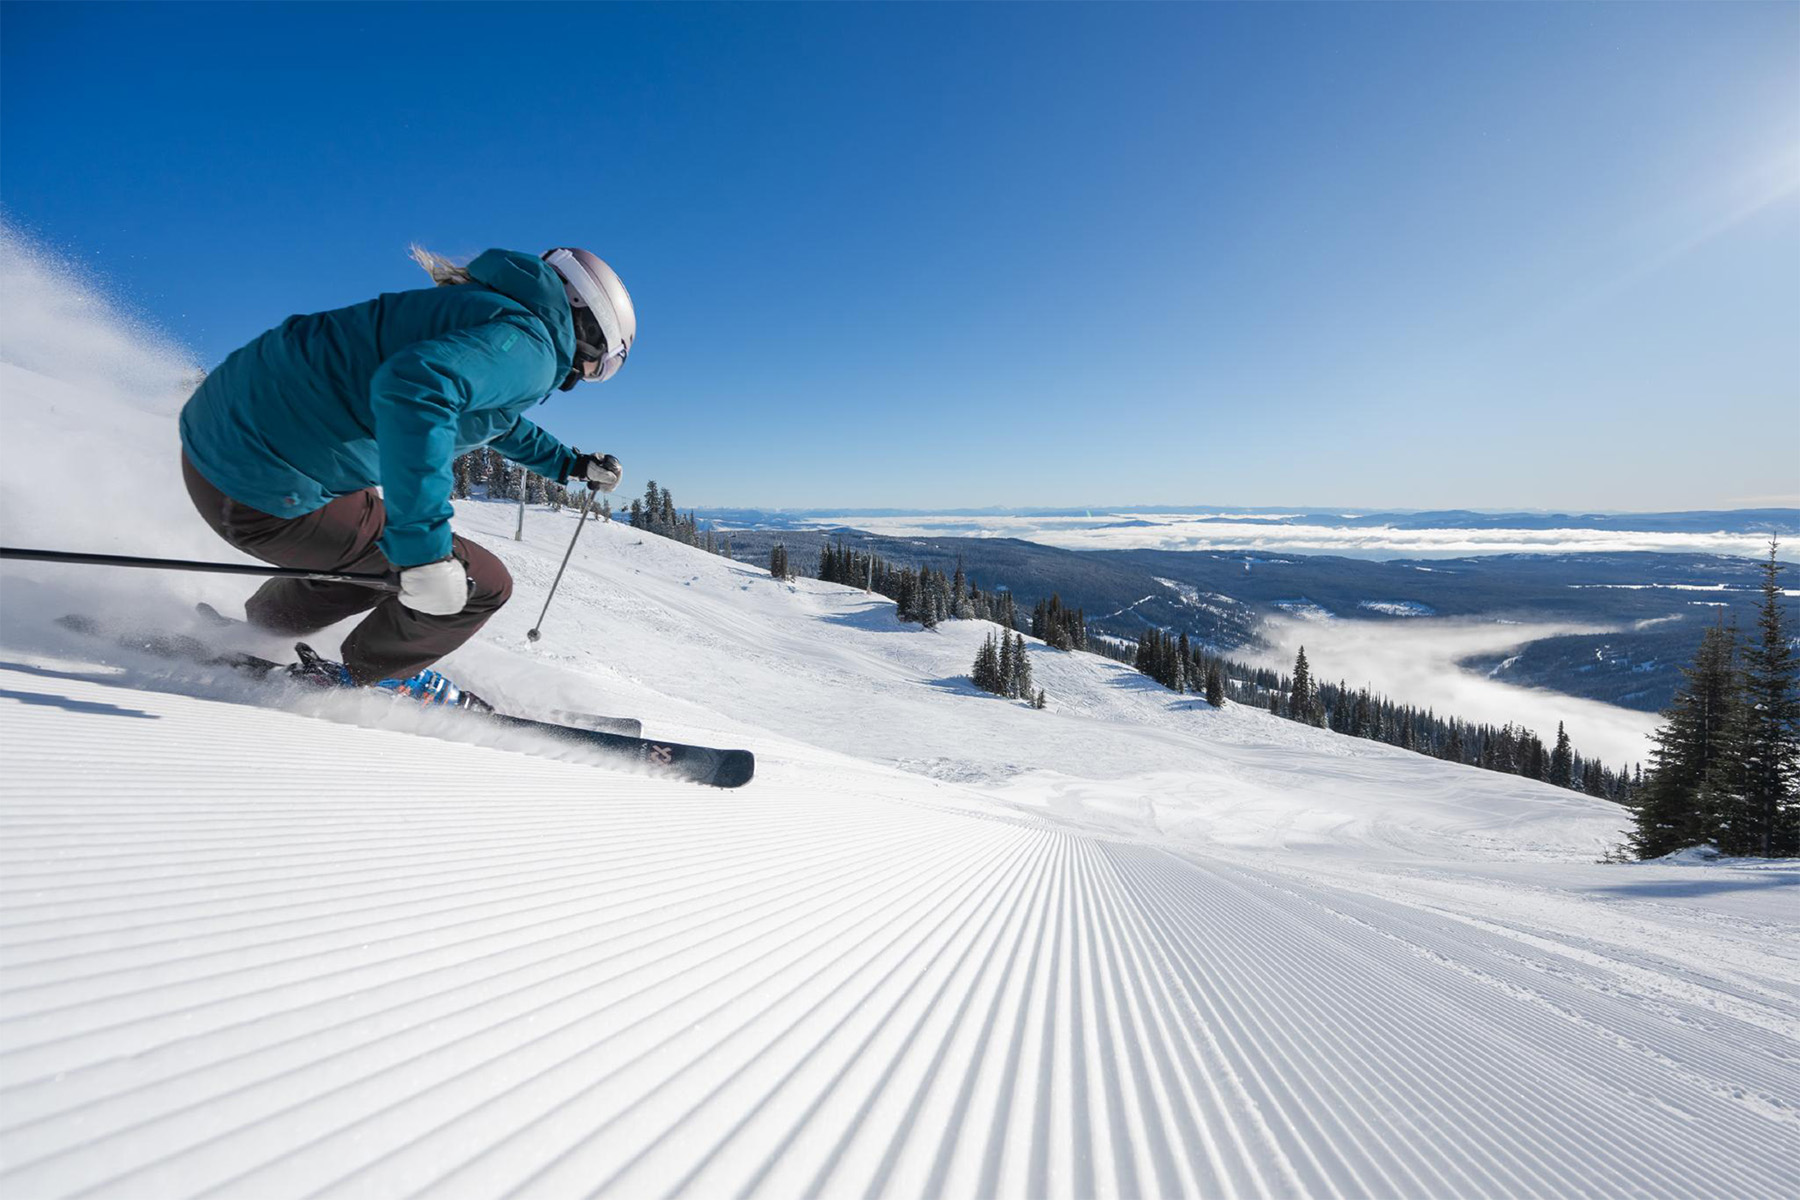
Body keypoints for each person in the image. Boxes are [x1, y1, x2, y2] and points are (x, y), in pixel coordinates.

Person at [178, 245, 634, 703]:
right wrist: (423, 552)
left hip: (215, 445)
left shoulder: (489, 310)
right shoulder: (534, 349)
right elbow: (418, 385)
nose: (589, 374)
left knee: (369, 553)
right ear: (589, 323)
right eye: (604, 364)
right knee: (483, 583)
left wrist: (568, 463)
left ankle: (264, 629)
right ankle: (373, 674)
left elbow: (485, 415)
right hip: (263, 485)